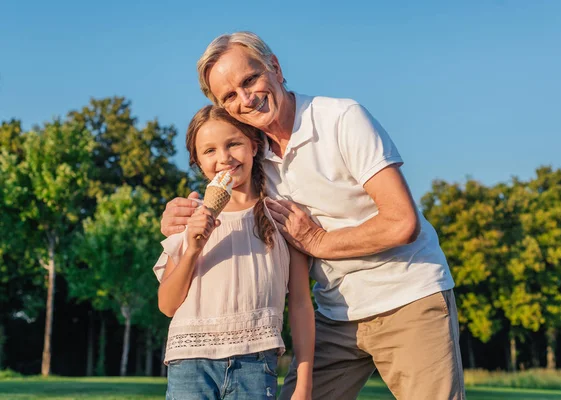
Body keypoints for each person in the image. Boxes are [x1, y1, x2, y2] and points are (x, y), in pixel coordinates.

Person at [161, 32, 465, 399]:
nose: (246, 98)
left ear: (275, 67)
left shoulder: (341, 119)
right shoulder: (257, 159)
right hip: (334, 314)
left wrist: (318, 240)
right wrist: (176, 218)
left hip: (406, 297)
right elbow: (228, 199)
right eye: (229, 95)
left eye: (250, 80)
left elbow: (403, 222)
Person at [153, 105, 314, 400]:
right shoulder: (188, 219)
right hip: (189, 363)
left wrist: (303, 382)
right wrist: (192, 249)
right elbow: (167, 305)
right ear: (197, 161)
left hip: (256, 364)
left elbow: (302, 303)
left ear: (254, 145)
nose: (224, 158)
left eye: (233, 144)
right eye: (209, 151)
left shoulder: (283, 217)